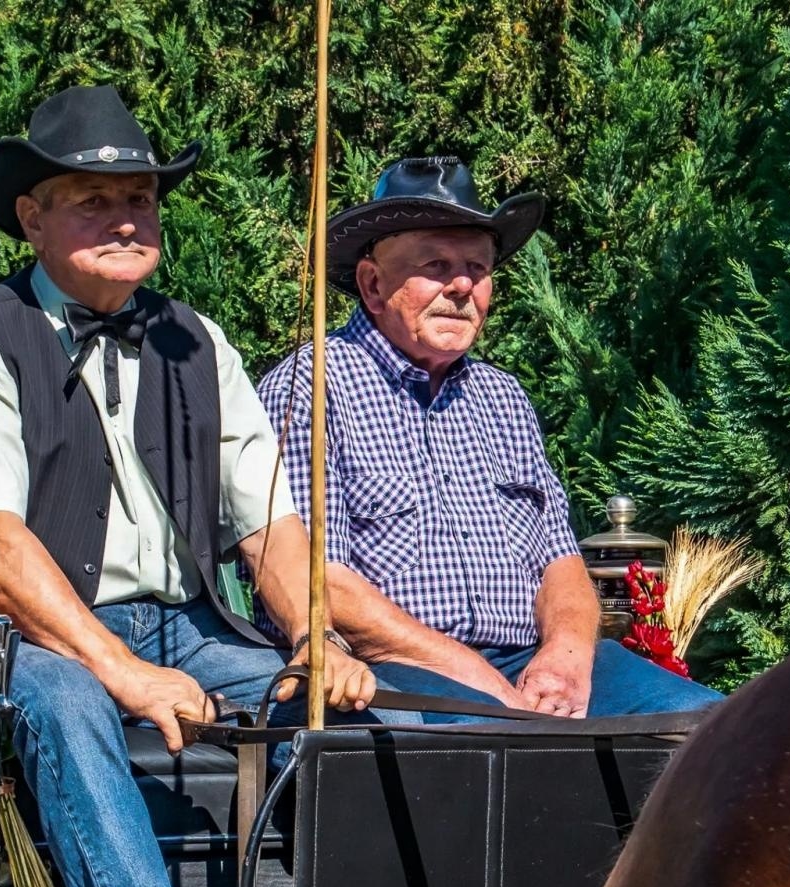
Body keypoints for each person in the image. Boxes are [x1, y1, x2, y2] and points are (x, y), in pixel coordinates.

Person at [0, 88, 490, 887]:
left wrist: (315, 641)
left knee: (378, 714)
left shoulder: (196, 340)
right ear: (30, 216)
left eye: (140, 197)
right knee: (56, 696)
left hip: (187, 629)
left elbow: (269, 528)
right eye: (93, 198)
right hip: (28, 640)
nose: (126, 219)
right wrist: (119, 673)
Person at [257, 156, 721, 717]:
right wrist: (475, 676)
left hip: (529, 662)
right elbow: (317, 582)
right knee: (494, 754)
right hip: (391, 673)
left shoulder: (503, 398)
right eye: (436, 264)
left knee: (714, 733)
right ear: (372, 284)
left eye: (477, 268)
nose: (460, 286)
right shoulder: (312, 386)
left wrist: (565, 658)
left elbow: (561, 562)